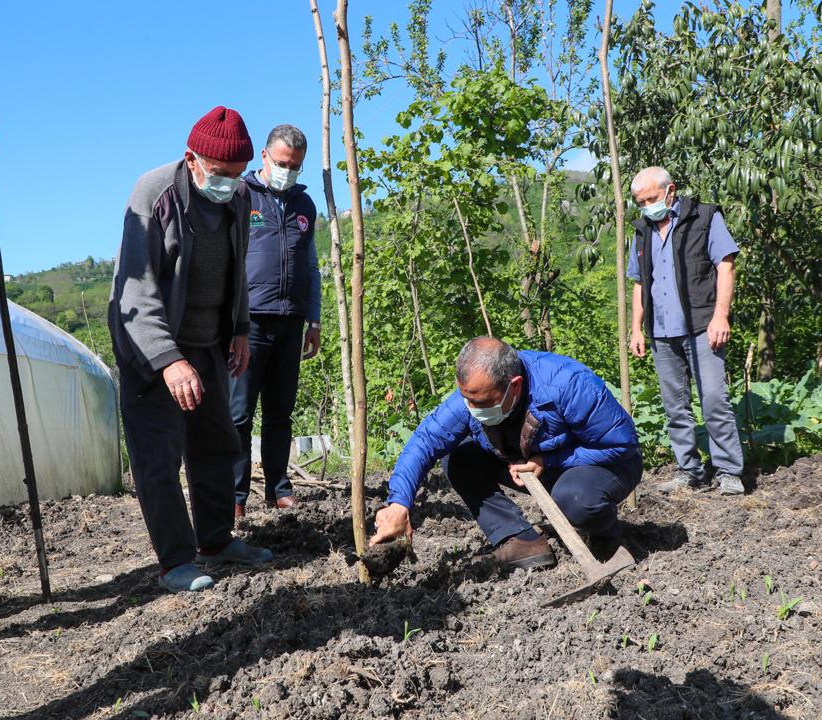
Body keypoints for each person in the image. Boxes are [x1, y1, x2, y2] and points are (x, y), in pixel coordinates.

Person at [109, 106, 273, 594]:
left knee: (217, 444)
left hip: (208, 343)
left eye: (239, 174)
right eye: (221, 173)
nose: (230, 184)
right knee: (158, 456)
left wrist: (239, 328)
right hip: (151, 347)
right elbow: (135, 289)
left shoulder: (239, 196)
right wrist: (168, 360)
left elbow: (236, 269)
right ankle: (176, 561)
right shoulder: (154, 192)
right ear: (191, 159)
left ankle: (216, 541)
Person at [370, 338, 642, 568]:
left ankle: (607, 539)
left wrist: (548, 460)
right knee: (459, 457)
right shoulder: (474, 396)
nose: (473, 409)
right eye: (468, 400)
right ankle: (521, 540)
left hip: (605, 464)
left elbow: (622, 444)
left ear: (516, 385)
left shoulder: (568, 384)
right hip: (532, 466)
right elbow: (425, 441)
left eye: (483, 402)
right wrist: (399, 504)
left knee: (575, 498)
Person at [627, 167, 744, 495]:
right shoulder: (642, 231)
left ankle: (729, 471)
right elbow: (639, 283)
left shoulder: (704, 217)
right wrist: (636, 328)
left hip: (702, 327)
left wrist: (721, 316)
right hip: (661, 332)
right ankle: (689, 470)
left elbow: (726, 266)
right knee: (674, 405)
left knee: (714, 399)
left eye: (651, 198)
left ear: (671, 190)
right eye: (640, 202)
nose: (647, 206)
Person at [231, 125, 322, 518]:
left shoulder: (305, 205)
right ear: (265, 157)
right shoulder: (241, 196)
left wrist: (313, 320)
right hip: (248, 322)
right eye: (283, 163)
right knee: (239, 414)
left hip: (291, 320)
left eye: (296, 166)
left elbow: (312, 266)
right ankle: (234, 497)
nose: (288, 171)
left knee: (280, 412)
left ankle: (278, 488)